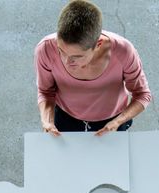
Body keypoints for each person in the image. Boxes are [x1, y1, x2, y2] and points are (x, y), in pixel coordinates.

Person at [35, 0, 152, 136]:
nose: (66, 61)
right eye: (61, 50)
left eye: (77, 56)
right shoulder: (45, 49)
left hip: (113, 119)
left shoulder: (123, 51)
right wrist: (47, 121)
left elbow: (142, 95)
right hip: (65, 116)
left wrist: (118, 122)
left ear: (98, 44)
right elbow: (45, 91)